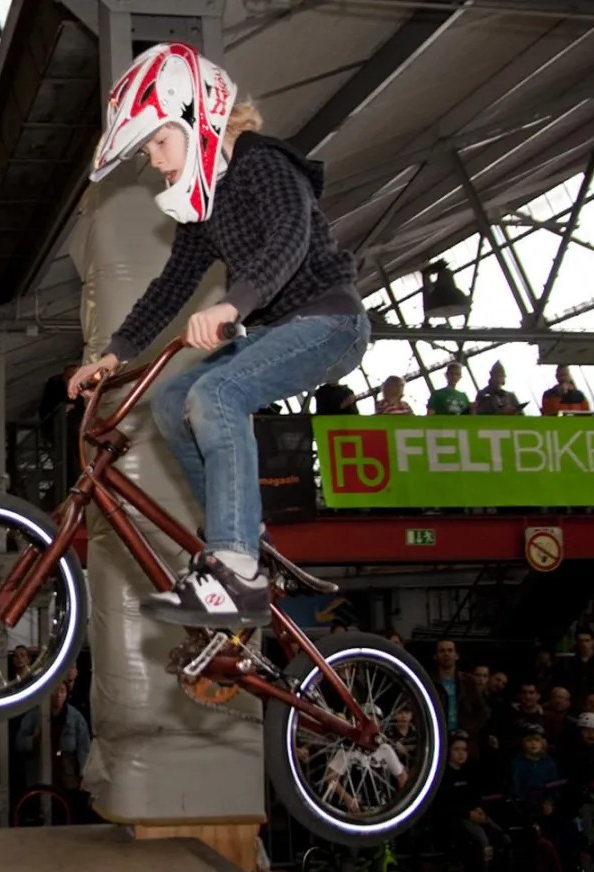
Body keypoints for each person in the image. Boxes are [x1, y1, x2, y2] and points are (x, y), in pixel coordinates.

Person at [68, 42, 369, 628]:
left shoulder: (265, 166)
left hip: (331, 322)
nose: (154, 159)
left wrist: (235, 302)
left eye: (159, 141)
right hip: (279, 329)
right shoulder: (203, 204)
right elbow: (170, 285)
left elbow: (289, 239)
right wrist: (112, 354)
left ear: (198, 119)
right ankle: (240, 536)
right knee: (173, 400)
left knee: (215, 394)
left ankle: (238, 568)